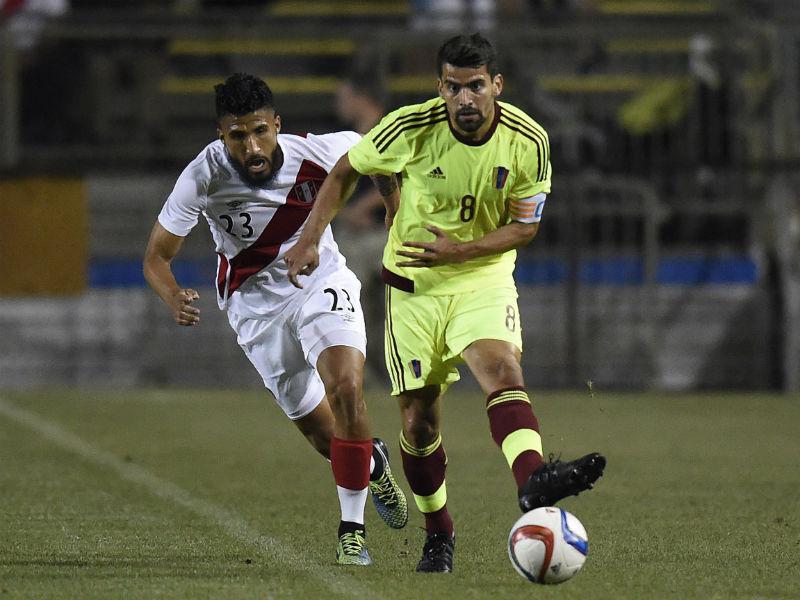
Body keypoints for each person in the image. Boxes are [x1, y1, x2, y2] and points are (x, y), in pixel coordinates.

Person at [285, 34, 606, 574]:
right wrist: (312, 236)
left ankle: (532, 479)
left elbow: (525, 226)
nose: (465, 98)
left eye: (475, 86)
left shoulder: (528, 140)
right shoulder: (410, 127)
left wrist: (462, 251)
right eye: (454, 87)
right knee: (419, 426)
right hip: (414, 291)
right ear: (440, 88)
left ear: (496, 85)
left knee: (502, 371)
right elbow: (347, 169)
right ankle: (439, 531)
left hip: (481, 278)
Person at [142, 73, 408, 566]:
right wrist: (173, 294)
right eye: (238, 136)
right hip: (254, 309)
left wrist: (395, 210)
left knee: (346, 386)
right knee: (328, 438)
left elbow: (382, 154)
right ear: (222, 136)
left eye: (260, 131)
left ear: (277, 124)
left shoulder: (321, 151)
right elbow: (157, 256)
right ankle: (372, 463)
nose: (252, 146)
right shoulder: (203, 174)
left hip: (319, 281)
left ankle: (351, 532)